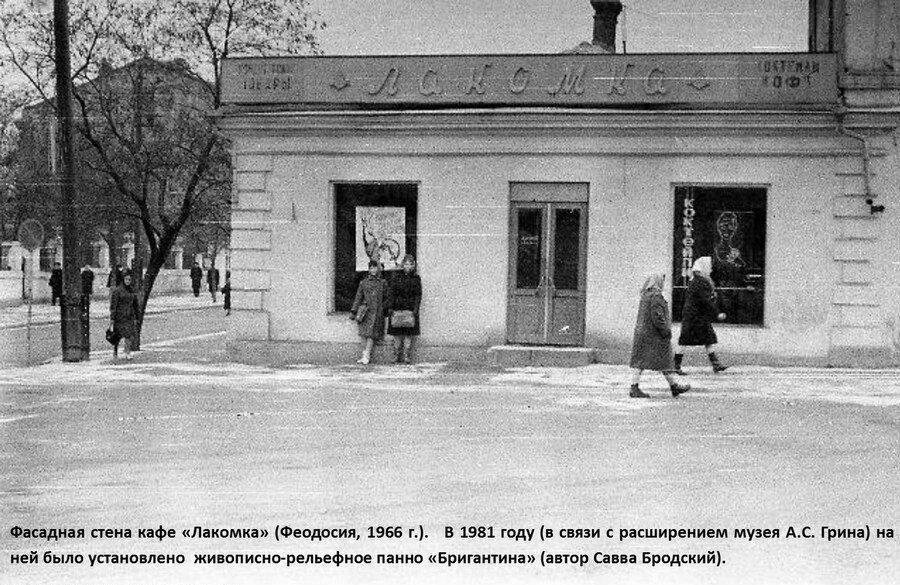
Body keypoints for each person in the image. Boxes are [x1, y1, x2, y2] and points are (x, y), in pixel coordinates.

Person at [629, 273, 690, 398]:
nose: (663, 283)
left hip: (643, 333)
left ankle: (672, 386)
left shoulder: (645, 295)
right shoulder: (656, 296)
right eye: (662, 281)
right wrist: (665, 331)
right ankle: (673, 386)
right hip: (653, 335)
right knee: (663, 360)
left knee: (643, 361)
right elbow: (657, 316)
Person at [674, 256, 729, 374]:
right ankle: (675, 365)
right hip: (696, 316)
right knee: (686, 340)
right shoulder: (701, 282)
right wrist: (717, 313)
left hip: (694, 315)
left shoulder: (695, 280)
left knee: (706, 339)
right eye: (709, 267)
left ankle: (715, 364)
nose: (711, 270)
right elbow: (706, 300)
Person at [350, 260, 391, 365]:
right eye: (371, 268)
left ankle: (367, 355)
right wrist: (354, 311)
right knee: (364, 334)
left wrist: (383, 308)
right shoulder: (363, 282)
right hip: (365, 311)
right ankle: (364, 355)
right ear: (368, 269)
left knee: (371, 334)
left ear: (379, 269)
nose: (373, 270)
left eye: (375, 267)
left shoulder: (382, 283)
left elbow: (387, 297)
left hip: (377, 312)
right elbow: (358, 297)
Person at [387, 254, 422, 364]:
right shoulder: (397, 277)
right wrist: (390, 307)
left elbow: (418, 295)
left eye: (410, 264)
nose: (408, 266)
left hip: (410, 309)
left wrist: (416, 309)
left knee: (408, 333)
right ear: (403, 265)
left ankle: (406, 356)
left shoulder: (416, 278)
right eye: (406, 264)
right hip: (397, 308)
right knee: (396, 333)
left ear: (413, 266)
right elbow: (391, 293)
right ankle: (396, 355)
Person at [109, 272, 140, 360]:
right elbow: (113, 305)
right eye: (126, 279)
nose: (128, 281)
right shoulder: (117, 290)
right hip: (119, 316)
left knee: (129, 335)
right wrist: (112, 318)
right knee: (117, 335)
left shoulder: (132, 290)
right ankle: (115, 352)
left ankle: (127, 352)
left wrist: (137, 316)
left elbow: (135, 304)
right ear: (123, 279)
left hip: (129, 316)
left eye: (129, 279)